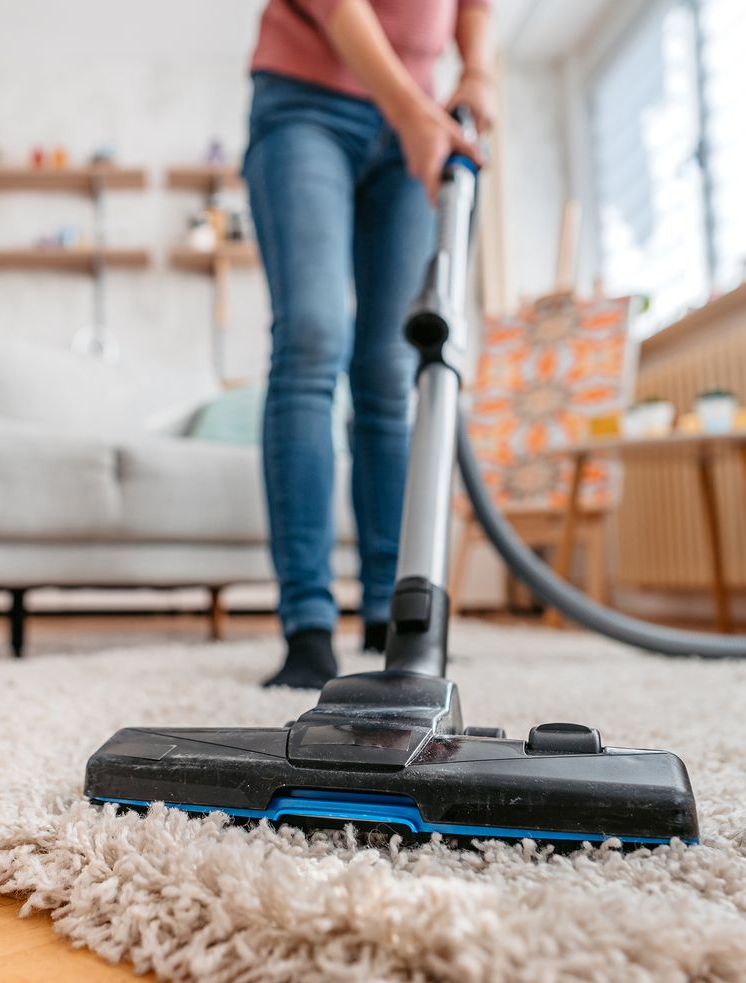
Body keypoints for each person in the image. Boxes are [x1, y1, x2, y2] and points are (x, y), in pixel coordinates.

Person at [245, 0, 494, 688]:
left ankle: (392, 617)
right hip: (305, 104)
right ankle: (308, 628)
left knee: (392, 367)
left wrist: (480, 74)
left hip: (420, 111)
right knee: (312, 338)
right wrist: (413, 112)